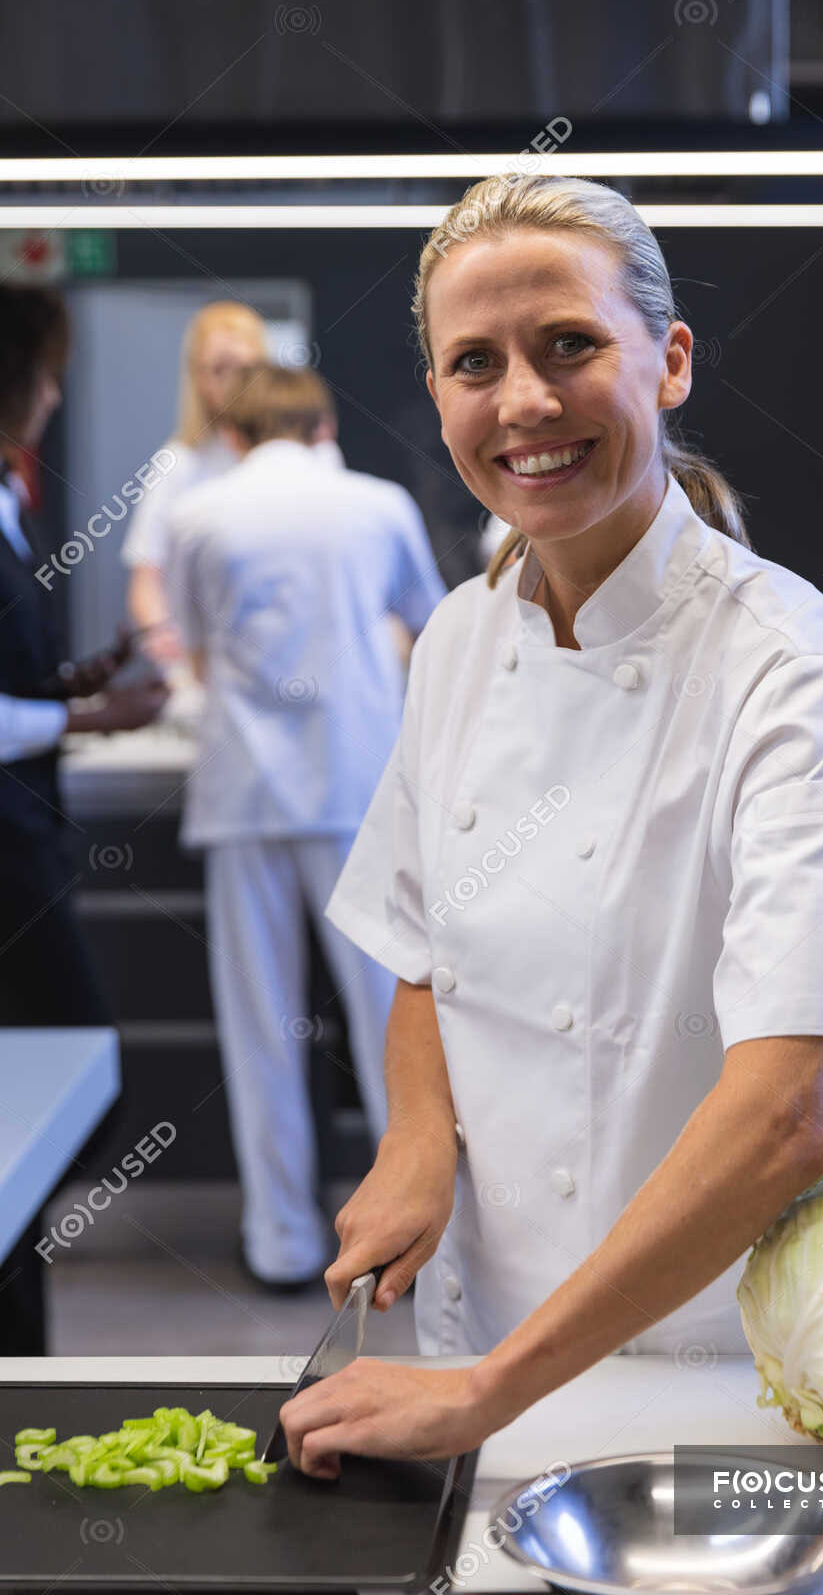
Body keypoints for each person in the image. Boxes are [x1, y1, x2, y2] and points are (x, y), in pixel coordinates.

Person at [275, 174, 823, 1478]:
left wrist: (486, 1395)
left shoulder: (787, 664)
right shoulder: (460, 638)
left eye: (568, 344)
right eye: (475, 363)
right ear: (438, 395)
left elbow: (791, 1113)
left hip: (729, 1362)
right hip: (486, 1336)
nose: (523, 400)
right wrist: (419, 1140)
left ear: (669, 360)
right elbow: (424, 949)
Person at [162, 362, 448, 1291]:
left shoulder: (198, 516)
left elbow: (196, 649)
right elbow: (430, 625)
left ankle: (282, 1245)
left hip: (246, 795)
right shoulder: (377, 503)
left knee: (262, 1027)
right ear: (324, 427)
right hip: (361, 788)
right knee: (394, 1026)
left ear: (236, 435)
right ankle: (407, 1242)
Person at [0, 288, 168, 1028]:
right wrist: (92, 715)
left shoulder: (12, 506)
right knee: (73, 1035)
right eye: (44, 376)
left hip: (27, 831)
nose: (54, 395)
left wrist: (75, 679)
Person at [123, 301, 342, 665]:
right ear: (197, 377)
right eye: (218, 369)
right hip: (209, 661)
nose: (234, 382)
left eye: (244, 368)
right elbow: (147, 577)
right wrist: (165, 640)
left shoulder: (316, 452)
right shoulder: (178, 463)